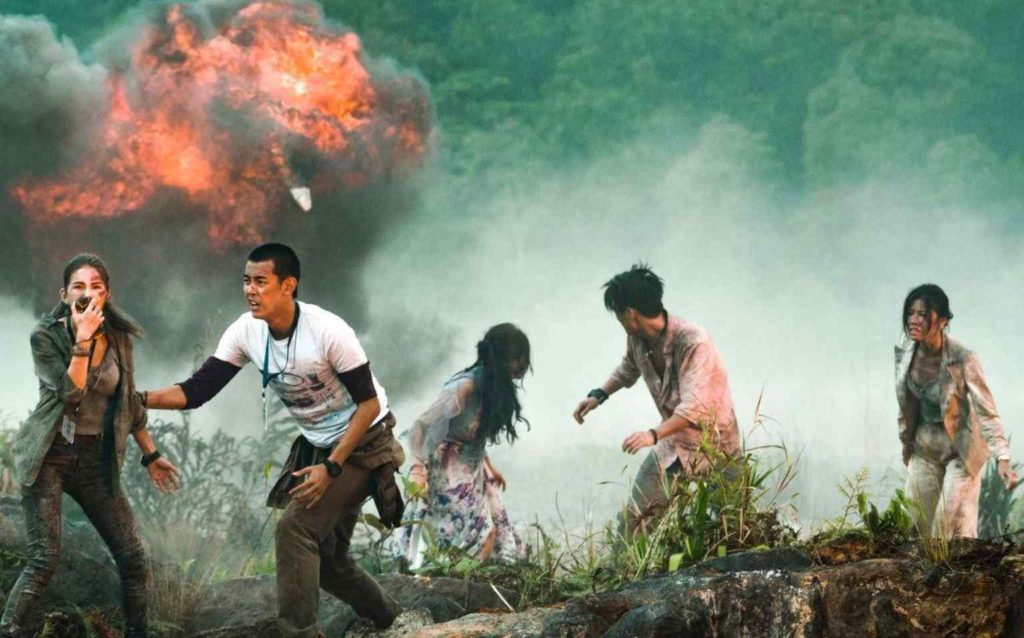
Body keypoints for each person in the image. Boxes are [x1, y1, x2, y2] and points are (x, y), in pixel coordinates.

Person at [141, 242, 402, 637]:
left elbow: (368, 405)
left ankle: (298, 633)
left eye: (260, 282)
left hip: (365, 442)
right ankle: (396, 621)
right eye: (246, 281)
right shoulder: (246, 331)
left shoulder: (328, 331)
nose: (250, 290)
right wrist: (138, 398)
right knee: (331, 564)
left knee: (295, 528)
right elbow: (196, 391)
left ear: (288, 285)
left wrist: (331, 468)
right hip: (318, 445)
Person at [2, 254, 181, 638]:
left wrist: (151, 454)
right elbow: (70, 392)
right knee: (44, 559)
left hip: (96, 459)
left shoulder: (119, 339)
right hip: (49, 455)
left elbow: (128, 401)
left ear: (106, 295)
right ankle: (9, 629)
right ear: (64, 295)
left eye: (95, 286)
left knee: (133, 558)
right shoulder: (45, 336)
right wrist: (82, 339)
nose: (87, 294)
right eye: (78, 286)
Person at [572, 263, 740, 536]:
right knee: (637, 518)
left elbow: (694, 407)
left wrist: (651, 435)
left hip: (716, 444)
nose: (618, 320)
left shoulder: (693, 342)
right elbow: (629, 367)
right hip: (674, 442)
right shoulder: (638, 339)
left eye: (617, 313)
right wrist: (598, 395)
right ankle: (629, 561)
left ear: (630, 313)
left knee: (732, 523)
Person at [395, 323, 529, 569]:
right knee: (475, 534)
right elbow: (420, 427)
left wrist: (489, 468)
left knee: (485, 534)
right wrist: (416, 470)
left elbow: (475, 434)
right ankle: (446, 577)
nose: (522, 365)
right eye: (517, 359)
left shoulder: (495, 386)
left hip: (471, 468)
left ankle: (461, 577)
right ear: (501, 359)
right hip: (446, 470)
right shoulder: (463, 387)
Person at [896, 283, 1017, 539]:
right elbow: (906, 407)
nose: (914, 320)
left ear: (942, 320)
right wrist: (906, 444)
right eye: (910, 313)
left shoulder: (963, 357)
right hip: (925, 449)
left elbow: (987, 410)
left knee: (950, 532)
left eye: (923, 314)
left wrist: (1003, 458)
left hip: (961, 451)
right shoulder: (905, 356)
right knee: (912, 527)